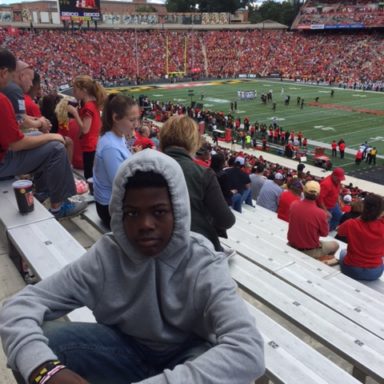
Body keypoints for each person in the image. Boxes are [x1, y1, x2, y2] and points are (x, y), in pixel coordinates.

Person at [0, 149, 265, 384]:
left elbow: (248, 350)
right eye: (132, 213)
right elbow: (19, 307)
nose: (146, 224)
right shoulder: (106, 257)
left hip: (189, 357)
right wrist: (46, 371)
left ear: (179, 212)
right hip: (123, 353)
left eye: (159, 211)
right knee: (37, 351)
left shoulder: (202, 261)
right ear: (119, 214)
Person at [0, 48, 86, 219]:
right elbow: (16, 144)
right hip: (3, 161)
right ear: (3, 72)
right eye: (10, 75)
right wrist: (51, 135)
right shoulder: (2, 99)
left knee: (39, 139)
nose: (11, 80)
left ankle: (42, 192)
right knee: (56, 147)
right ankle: (60, 206)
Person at [160, 115, 235, 251]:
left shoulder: (148, 164)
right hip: (193, 249)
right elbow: (227, 220)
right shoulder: (202, 173)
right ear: (193, 140)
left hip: (158, 243)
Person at [93, 94, 141, 228]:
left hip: (111, 204)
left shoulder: (116, 136)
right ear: (115, 118)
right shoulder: (110, 147)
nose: (136, 124)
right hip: (109, 209)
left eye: (137, 119)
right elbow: (120, 185)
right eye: (132, 120)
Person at [287, 180, 339, 265]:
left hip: (292, 244)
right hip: (309, 250)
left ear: (304, 191)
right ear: (318, 195)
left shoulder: (294, 204)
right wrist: (326, 221)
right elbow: (324, 233)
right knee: (335, 245)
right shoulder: (321, 213)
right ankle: (320, 260)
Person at [337, 194, 384, 281]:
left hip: (350, 269)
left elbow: (339, 231)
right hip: (373, 273)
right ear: (381, 211)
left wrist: (362, 217)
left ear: (364, 207)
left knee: (343, 252)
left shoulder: (351, 223)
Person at [69, 75, 106, 180]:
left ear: (84, 91)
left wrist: (75, 113)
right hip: (92, 144)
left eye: (75, 90)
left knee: (89, 176)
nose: (73, 93)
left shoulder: (88, 107)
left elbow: (85, 129)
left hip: (90, 146)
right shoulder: (93, 104)